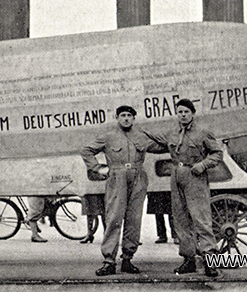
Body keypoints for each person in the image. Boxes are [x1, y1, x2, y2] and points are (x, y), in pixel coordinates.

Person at [80, 105, 162, 276]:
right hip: (117, 178)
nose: (126, 118)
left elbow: (161, 147)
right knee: (114, 218)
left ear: (133, 118)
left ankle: (127, 259)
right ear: (117, 117)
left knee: (134, 218)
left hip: (138, 177)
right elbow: (86, 150)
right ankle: (109, 261)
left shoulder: (141, 135)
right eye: (123, 115)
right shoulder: (108, 136)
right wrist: (98, 168)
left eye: (129, 115)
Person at [147, 98, 223, 278]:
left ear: (192, 114)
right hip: (176, 176)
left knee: (201, 219)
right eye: (180, 112)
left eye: (186, 112)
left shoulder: (203, 132)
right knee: (180, 219)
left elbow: (217, 153)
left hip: (195, 175)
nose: (183, 115)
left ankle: (210, 261)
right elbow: (157, 143)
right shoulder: (172, 132)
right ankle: (188, 259)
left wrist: (203, 165)